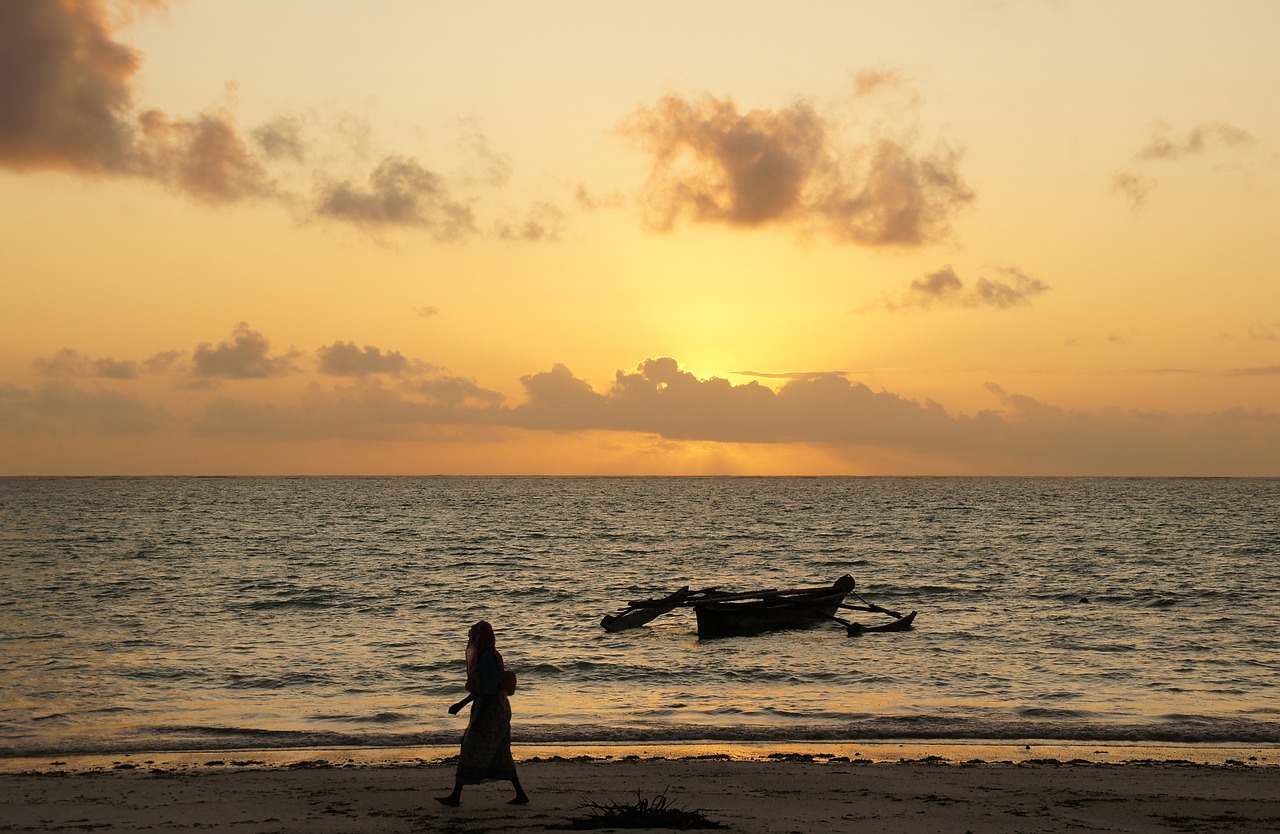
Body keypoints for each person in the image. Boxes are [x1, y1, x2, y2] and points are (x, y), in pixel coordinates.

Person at [436, 620, 529, 806]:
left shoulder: (486, 658)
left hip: (490, 711)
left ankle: (456, 796)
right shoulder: (492, 655)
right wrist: (461, 705)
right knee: (500, 751)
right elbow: (488, 687)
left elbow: (487, 691)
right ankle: (520, 794)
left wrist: (478, 719)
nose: (471, 639)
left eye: (474, 635)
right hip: (499, 708)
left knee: (470, 748)